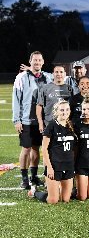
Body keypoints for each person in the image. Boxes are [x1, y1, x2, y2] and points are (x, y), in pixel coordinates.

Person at [12, 51, 52, 189]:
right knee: (26, 149)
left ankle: (34, 177)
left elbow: (60, 76)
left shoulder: (47, 77)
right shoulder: (21, 77)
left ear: (43, 62)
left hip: (42, 120)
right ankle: (24, 179)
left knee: (36, 149)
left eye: (39, 60)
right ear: (30, 61)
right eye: (34, 60)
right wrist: (17, 120)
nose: (37, 62)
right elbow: (16, 99)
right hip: (26, 120)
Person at [28, 100, 76, 204]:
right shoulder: (51, 126)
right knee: (53, 200)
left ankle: (56, 190)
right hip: (55, 166)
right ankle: (35, 192)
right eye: (62, 110)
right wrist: (49, 168)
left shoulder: (71, 126)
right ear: (56, 111)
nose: (65, 112)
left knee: (66, 199)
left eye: (67, 109)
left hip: (68, 166)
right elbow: (44, 148)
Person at [36, 66, 73, 133]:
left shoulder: (69, 88)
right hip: (49, 123)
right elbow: (39, 106)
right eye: (56, 72)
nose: (59, 74)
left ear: (65, 74)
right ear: (53, 74)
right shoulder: (45, 88)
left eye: (61, 72)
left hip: (65, 124)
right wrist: (40, 123)